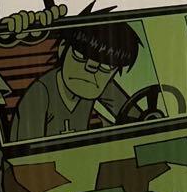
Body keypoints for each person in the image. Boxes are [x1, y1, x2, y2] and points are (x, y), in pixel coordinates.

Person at [10, 9, 140, 142]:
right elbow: (28, 150)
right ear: (62, 48)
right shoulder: (40, 94)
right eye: (81, 56)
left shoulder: (96, 82)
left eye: (106, 65)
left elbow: (137, 116)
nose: (91, 68)